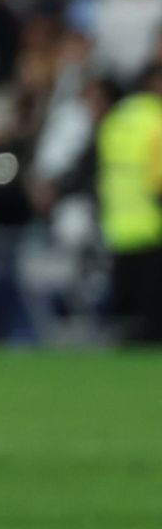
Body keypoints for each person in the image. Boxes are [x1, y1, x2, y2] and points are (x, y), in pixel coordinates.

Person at [97, 65, 162, 343]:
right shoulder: (157, 119)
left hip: (119, 220)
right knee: (153, 305)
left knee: (129, 301)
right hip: (151, 221)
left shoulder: (117, 118)